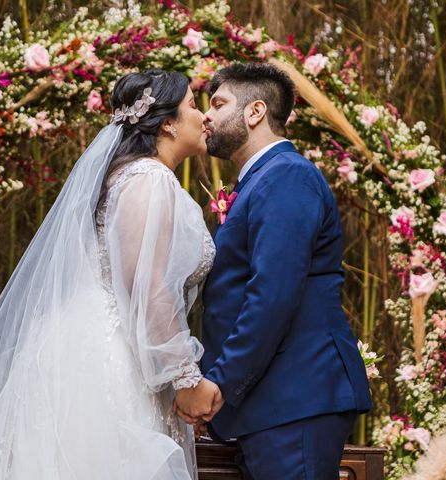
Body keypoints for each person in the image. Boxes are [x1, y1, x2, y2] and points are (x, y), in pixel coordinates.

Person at [0, 70, 221, 480]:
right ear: (168, 122)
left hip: (93, 344)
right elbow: (148, 290)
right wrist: (185, 379)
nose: (203, 118)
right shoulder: (149, 180)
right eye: (194, 107)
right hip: (112, 361)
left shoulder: (128, 177)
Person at [174, 62, 372, 480]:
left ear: (255, 112)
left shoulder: (286, 178)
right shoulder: (261, 181)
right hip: (273, 401)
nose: (206, 116)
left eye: (219, 103)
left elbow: (272, 295)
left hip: (295, 398)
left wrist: (220, 384)